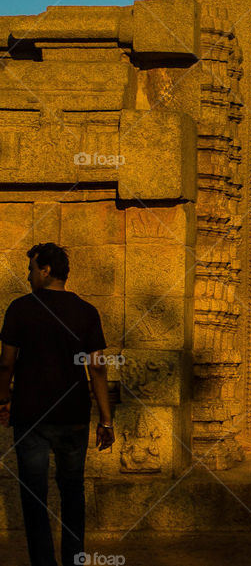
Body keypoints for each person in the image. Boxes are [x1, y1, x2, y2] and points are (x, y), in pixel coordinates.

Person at [0, 242, 114, 566]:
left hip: (31, 417)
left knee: (34, 496)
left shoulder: (20, 309)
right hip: (74, 416)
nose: (28, 274)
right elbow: (97, 368)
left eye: (31, 268)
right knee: (72, 492)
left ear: (45, 270)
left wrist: (2, 399)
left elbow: (6, 364)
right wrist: (106, 420)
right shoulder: (86, 312)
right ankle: (74, 560)